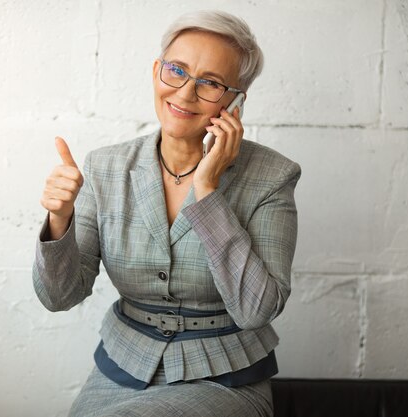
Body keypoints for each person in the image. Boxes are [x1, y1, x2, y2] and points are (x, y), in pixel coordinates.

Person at [33, 9, 301, 417]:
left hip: (225, 378)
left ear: (236, 102)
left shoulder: (273, 176)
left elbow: (256, 310)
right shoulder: (106, 167)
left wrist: (208, 190)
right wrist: (60, 219)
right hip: (124, 367)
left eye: (210, 82)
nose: (185, 93)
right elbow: (59, 296)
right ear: (157, 70)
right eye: (176, 70)